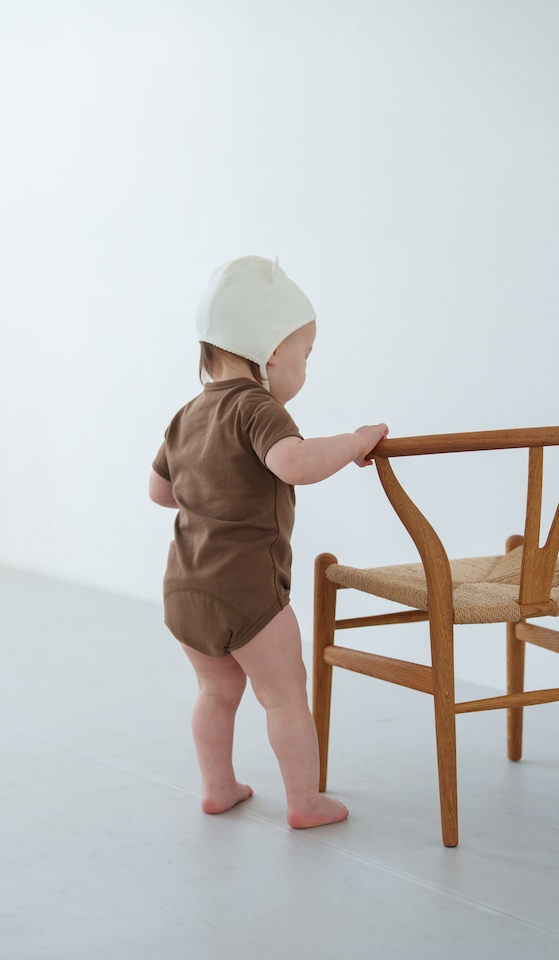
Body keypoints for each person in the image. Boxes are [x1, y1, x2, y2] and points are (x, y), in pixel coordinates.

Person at [149, 255, 388, 828]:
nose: (306, 365)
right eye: (306, 352)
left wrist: (210, 490)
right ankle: (306, 803)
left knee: (215, 692)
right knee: (283, 696)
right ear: (274, 350)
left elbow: (160, 492)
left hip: (185, 588)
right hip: (249, 591)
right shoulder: (257, 407)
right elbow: (295, 464)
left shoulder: (187, 415)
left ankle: (218, 788)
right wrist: (356, 441)